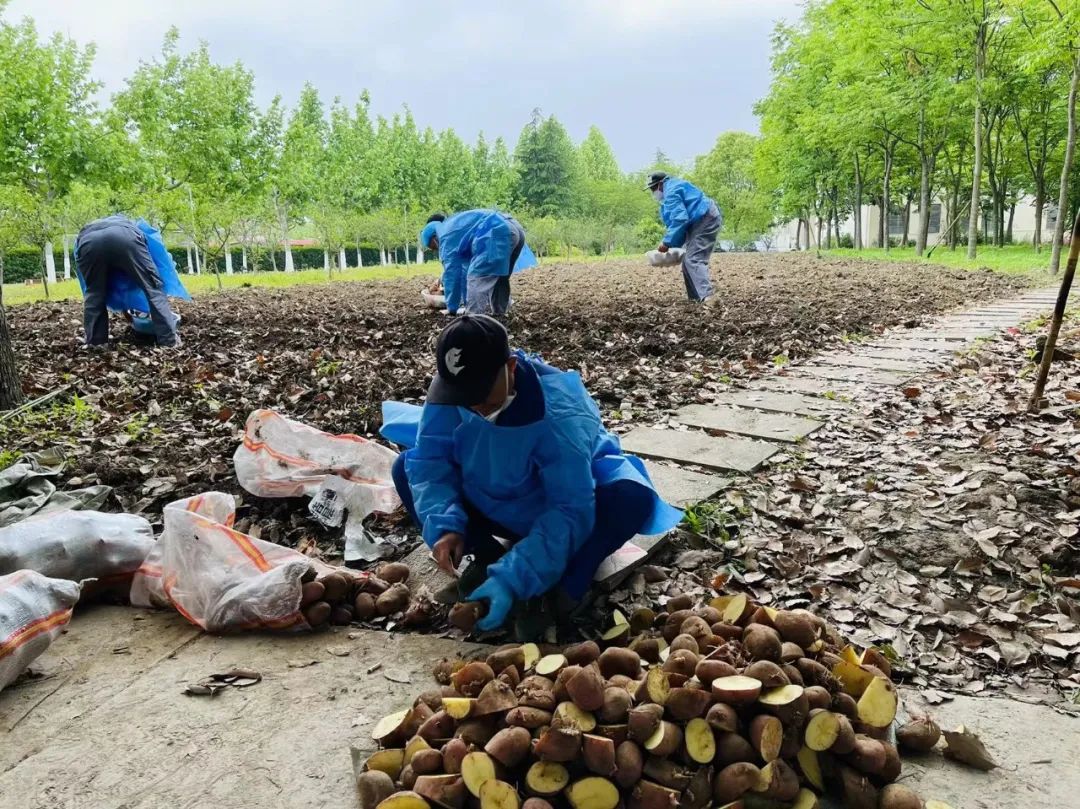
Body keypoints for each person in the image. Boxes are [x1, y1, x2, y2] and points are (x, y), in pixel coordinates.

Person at [381, 315, 684, 636]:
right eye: (463, 397)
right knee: (405, 468)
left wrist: (515, 577)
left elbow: (569, 509)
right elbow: (430, 461)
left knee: (630, 498)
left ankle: (563, 587)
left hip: (560, 505)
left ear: (510, 367)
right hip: (492, 499)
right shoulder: (452, 390)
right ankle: (488, 561)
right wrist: (445, 527)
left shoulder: (558, 415)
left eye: (483, 395)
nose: (474, 407)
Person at [74, 215, 186, 348]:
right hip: (125, 236)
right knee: (153, 288)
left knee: (94, 293)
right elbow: (159, 263)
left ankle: (96, 343)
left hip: (88, 241)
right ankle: (169, 341)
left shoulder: (94, 229)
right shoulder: (139, 229)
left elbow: (99, 285)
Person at [420, 209, 534, 316]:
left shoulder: (445, 237)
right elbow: (464, 271)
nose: (437, 250)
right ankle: (501, 314)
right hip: (512, 227)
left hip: (495, 232)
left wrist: (452, 308)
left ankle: (473, 319)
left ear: (434, 238)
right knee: (499, 276)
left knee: (476, 278)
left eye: (433, 247)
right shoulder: (453, 226)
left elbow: (452, 277)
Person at [646, 171, 723, 303]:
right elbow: (678, 223)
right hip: (701, 218)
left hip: (705, 218)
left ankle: (708, 297)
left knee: (693, 259)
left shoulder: (671, 192)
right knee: (687, 262)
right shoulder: (673, 189)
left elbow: (680, 220)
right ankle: (695, 299)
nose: (653, 192)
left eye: (653, 188)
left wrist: (666, 242)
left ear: (660, 185)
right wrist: (671, 245)